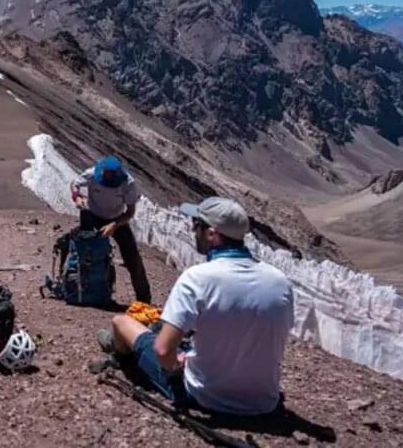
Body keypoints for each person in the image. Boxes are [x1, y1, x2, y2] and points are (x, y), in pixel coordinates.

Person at [98, 197, 295, 415]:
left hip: (205, 395)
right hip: (264, 400)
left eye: (197, 226)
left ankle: (121, 353)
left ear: (212, 234)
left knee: (122, 322)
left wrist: (175, 367)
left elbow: (163, 351)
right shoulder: (280, 281)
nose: (193, 232)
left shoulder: (197, 278)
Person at [70, 155, 151, 303]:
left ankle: (144, 300)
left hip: (117, 220)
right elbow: (74, 184)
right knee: (84, 251)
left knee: (133, 258)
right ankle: (81, 287)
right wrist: (77, 197)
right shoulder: (91, 174)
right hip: (93, 216)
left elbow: (130, 212)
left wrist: (114, 224)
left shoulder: (128, 184)